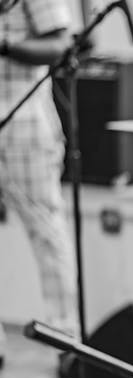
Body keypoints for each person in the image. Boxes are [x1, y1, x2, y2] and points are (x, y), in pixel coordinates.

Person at [0, 0, 79, 352]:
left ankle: (68, 342)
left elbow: (61, 44)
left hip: (25, 128)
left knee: (47, 235)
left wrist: (4, 45)